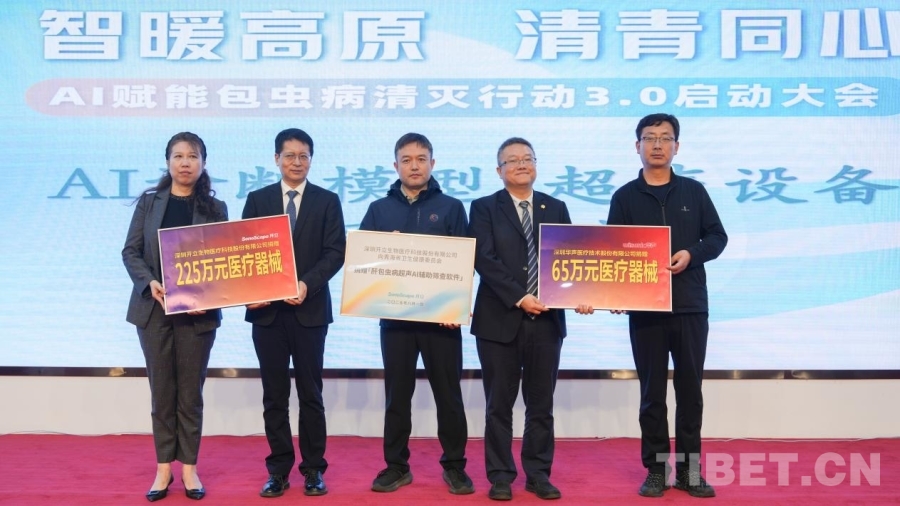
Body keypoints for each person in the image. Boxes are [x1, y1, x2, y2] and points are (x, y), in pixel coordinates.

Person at [606, 113, 727, 498]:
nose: (657, 144)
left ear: (677, 146)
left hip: (690, 306)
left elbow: (717, 237)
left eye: (665, 137)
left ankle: (690, 471)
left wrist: (692, 254)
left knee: (690, 392)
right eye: (649, 137)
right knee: (652, 394)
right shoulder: (624, 197)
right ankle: (656, 470)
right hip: (646, 310)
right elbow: (612, 251)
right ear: (637, 146)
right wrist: (615, 294)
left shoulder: (694, 191)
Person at [468, 137, 592, 501]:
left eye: (527, 158)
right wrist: (520, 296)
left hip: (547, 322)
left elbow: (570, 258)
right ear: (499, 170)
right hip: (498, 320)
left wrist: (584, 294)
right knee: (498, 405)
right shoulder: (483, 207)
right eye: (512, 160)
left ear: (535, 165)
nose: (521, 164)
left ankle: (538, 474)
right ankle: (500, 475)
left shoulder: (556, 206)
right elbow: (483, 259)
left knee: (541, 405)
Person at [359, 132, 474, 495]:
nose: (414, 166)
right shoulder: (379, 210)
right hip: (395, 320)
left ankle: (455, 466)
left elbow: (465, 262)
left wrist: (456, 305)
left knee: (449, 396)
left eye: (421, 159)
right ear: (395, 166)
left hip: (442, 320)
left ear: (432, 164)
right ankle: (396, 466)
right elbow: (363, 263)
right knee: (397, 397)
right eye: (406, 160)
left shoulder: (452, 207)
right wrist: (386, 251)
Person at [123, 132, 228, 502]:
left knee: (190, 394)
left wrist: (207, 296)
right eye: (178, 156)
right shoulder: (149, 204)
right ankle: (163, 468)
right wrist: (150, 282)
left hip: (197, 315)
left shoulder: (216, 209)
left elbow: (223, 261)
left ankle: (190, 468)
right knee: (162, 393)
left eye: (193, 156)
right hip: (154, 310)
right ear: (168, 161)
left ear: (203, 163)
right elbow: (131, 252)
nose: (185, 163)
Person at [242, 128, 346, 498]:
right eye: (289, 155)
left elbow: (336, 251)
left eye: (303, 156)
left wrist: (306, 284)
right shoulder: (257, 199)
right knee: (274, 396)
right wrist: (250, 293)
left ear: (311, 160)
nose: (296, 162)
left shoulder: (327, 201)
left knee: (311, 394)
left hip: (310, 311)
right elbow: (243, 251)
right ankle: (278, 470)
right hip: (267, 314)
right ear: (276, 159)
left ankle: (314, 469)